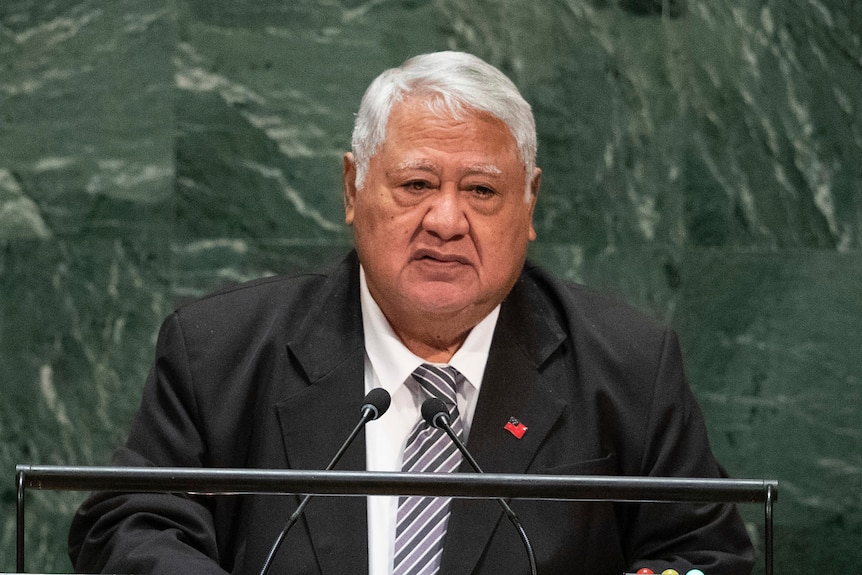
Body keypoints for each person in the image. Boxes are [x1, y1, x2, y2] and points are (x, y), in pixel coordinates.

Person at [69, 51, 755, 575]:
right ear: (352, 188)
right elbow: (129, 522)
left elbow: (704, 553)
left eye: (482, 190)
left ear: (530, 205)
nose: (446, 220)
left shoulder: (629, 366)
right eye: (417, 183)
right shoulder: (219, 349)